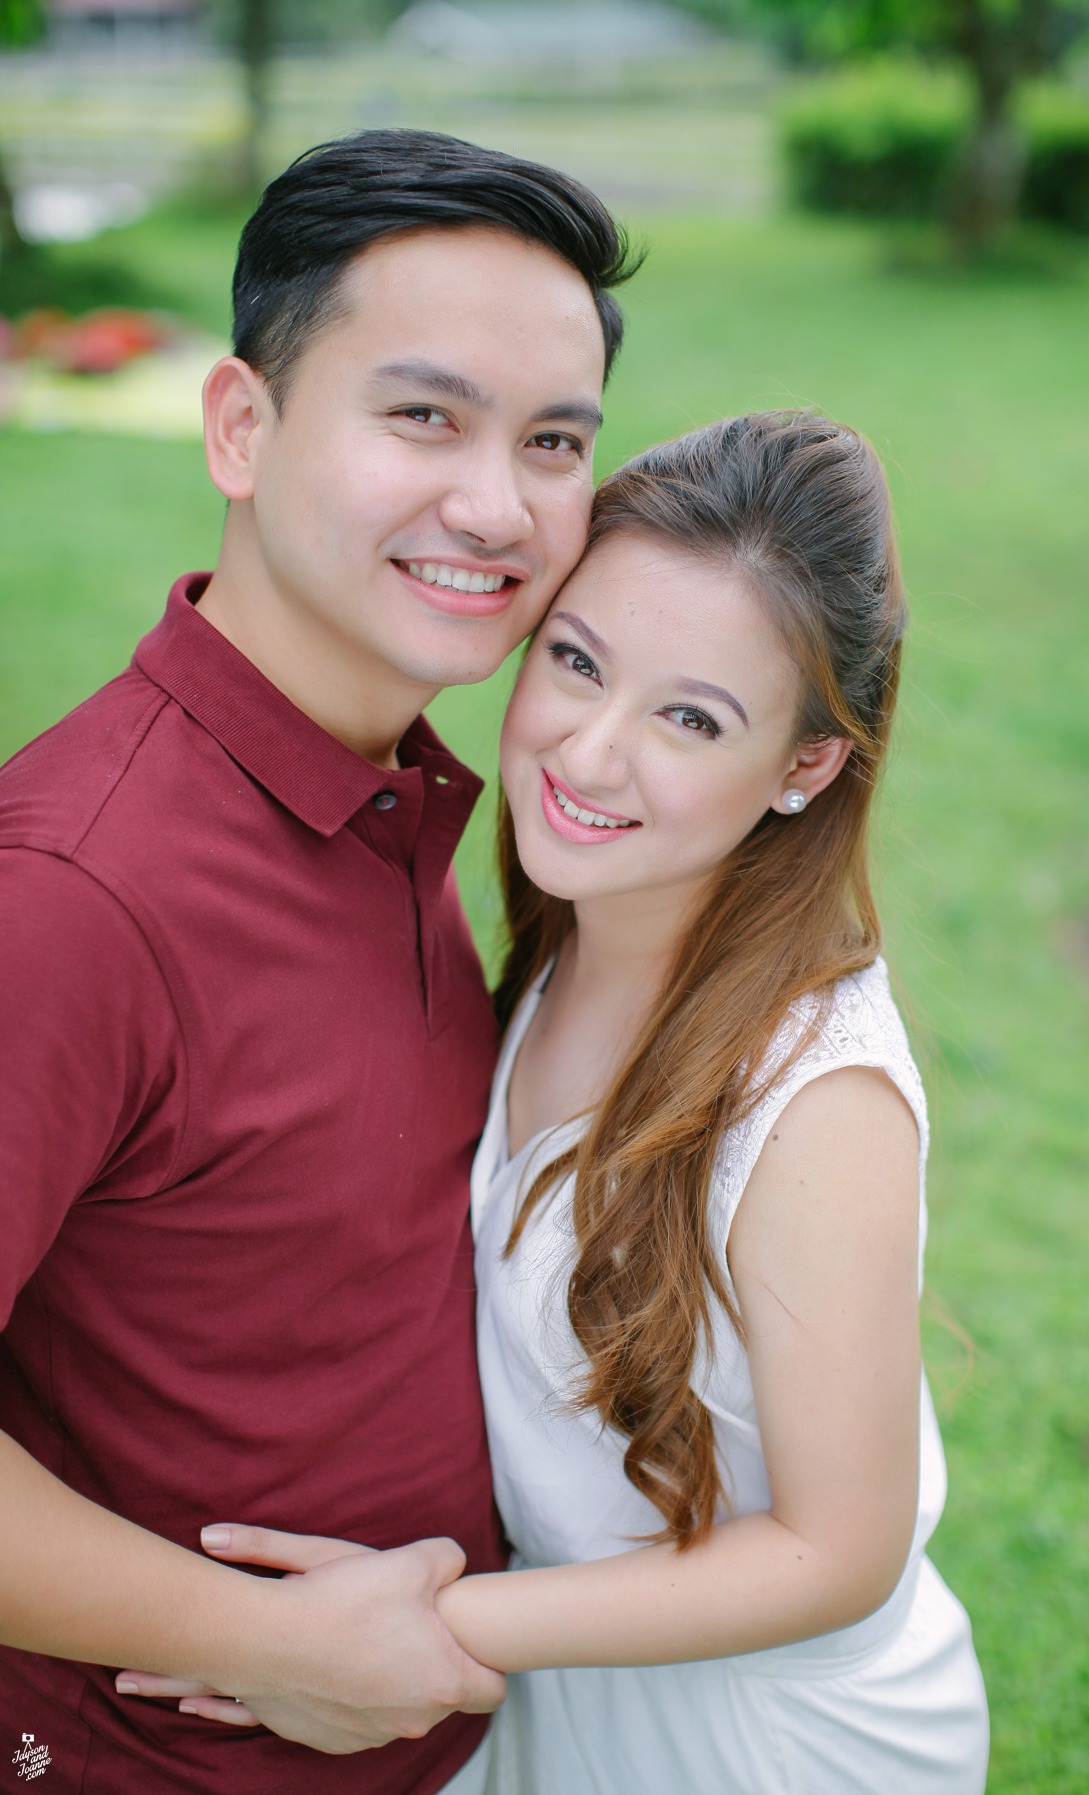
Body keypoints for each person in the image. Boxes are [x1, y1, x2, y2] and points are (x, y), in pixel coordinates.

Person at [122, 412, 990, 1791]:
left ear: (806, 767)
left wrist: (416, 1629)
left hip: (755, 1740)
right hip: (561, 1684)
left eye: (689, 718)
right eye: (577, 663)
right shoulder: (573, 925)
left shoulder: (814, 1098)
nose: (589, 754)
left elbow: (841, 1550)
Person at [0, 127, 640, 1794]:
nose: (497, 506)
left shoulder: (390, 788)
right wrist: (272, 1638)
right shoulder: (73, 894)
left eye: (553, 440)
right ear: (241, 424)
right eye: (423, 415)